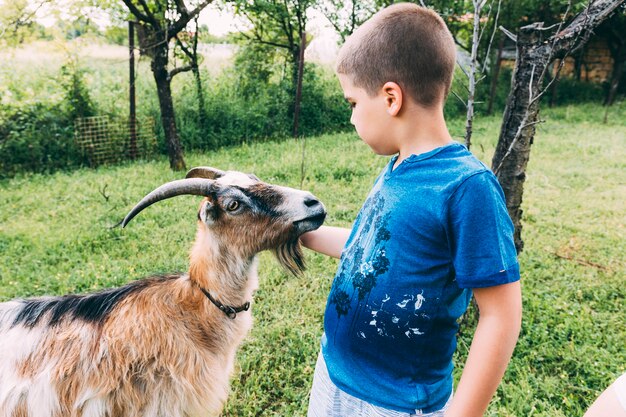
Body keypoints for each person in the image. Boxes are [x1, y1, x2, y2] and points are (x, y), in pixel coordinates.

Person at [300, 3, 522, 417]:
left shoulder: (467, 188)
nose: (351, 117)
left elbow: (501, 316)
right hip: (333, 379)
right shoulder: (399, 168)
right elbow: (372, 250)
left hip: (398, 405)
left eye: (352, 102)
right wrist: (298, 230)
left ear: (390, 98)